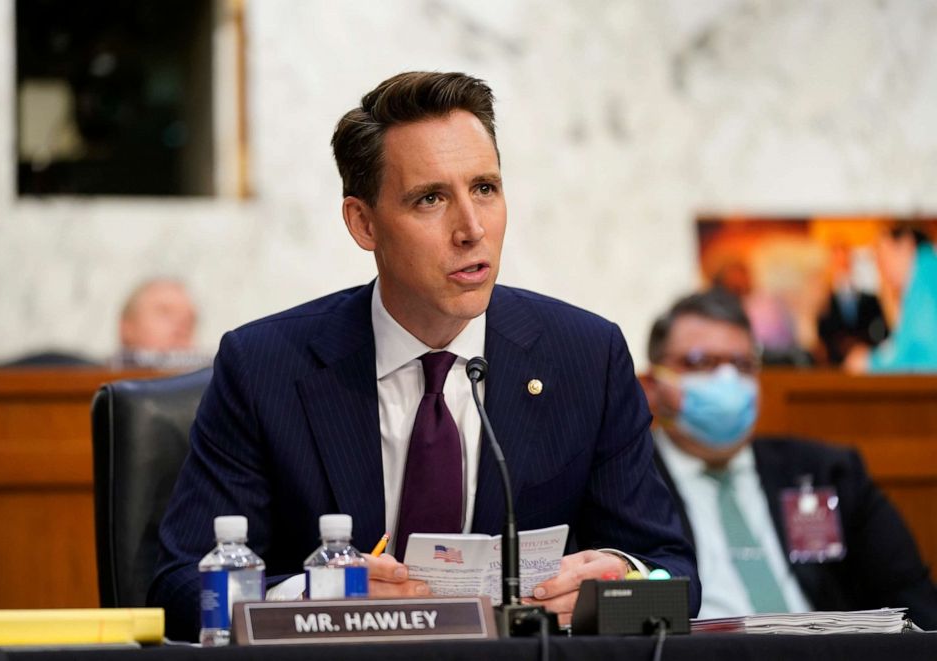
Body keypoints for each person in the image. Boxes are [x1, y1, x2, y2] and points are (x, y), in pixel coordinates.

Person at [148, 71, 699, 640]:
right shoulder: (265, 367)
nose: (471, 228)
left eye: (484, 188)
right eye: (431, 199)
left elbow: (674, 576)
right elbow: (179, 587)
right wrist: (319, 596)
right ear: (364, 224)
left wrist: (617, 586)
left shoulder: (586, 358)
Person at [641, 289, 937, 628]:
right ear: (652, 386)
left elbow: (913, 598)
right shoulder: (626, 485)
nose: (727, 381)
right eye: (700, 363)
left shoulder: (829, 472)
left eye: (743, 365)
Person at [845, 226, 937, 373]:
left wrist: (870, 362)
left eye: (882, 257)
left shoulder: (925, 278)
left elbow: (926, 357)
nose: (881, 270)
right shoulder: (926, 273)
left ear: (906, 245)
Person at [112, 278, 206, 369]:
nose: (182, 326)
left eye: (190, 320)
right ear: (128, 326)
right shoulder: (102, 378)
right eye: (165, 312)